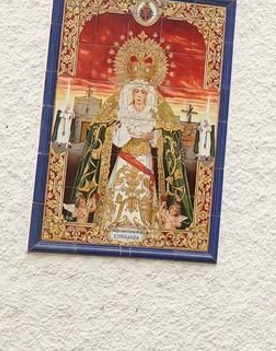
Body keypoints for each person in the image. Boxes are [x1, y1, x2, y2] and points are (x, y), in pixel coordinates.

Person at [71, 36, 194, 246]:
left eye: (143, 92)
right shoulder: (123, 112)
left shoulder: (153, 113)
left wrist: (152, 136)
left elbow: (159, 141)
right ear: (131, 93)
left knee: (143, 195)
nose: (139, 95)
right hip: (125, 159)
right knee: (119, 191)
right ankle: (113, 224)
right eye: (136, 91)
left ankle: (144, 227)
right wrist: (129, 132)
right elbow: (116, 139)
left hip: (144, 159)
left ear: (148, 95)